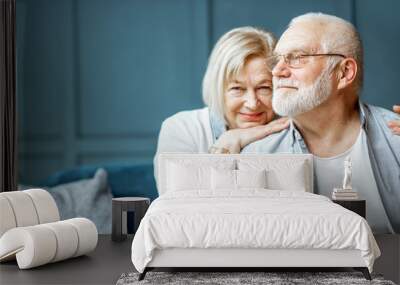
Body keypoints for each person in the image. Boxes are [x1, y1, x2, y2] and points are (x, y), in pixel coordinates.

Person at [243, 13, 400, 234]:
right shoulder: (257, 155)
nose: (277, 71)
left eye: (296, 57)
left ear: (344, 72)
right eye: (277, 59)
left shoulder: (396, 138)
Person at [155, 26, 289, 157]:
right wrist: (228, 144)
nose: (252, 104)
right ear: (217, 89)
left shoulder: (291, 131)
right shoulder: (182, 129)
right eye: (237, 89)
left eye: (264, 88)